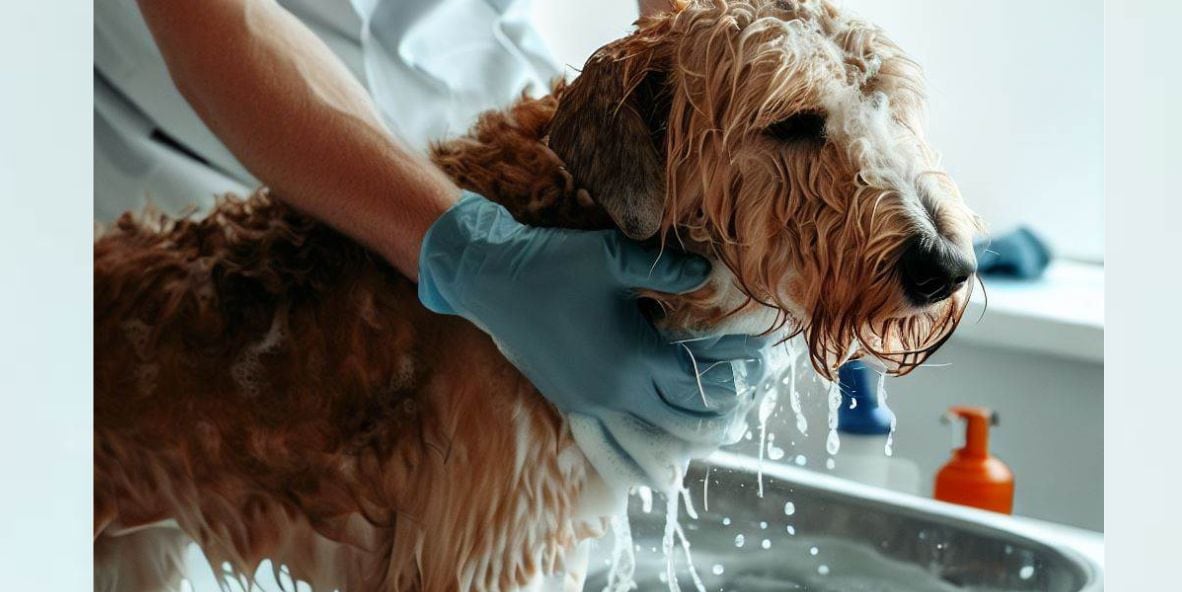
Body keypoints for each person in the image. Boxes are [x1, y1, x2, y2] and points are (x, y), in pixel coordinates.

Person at [97, 0, 765, 454]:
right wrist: (472, 253)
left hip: (464, 74)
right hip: (189, 142)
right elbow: (221, 22)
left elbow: (703, 25)